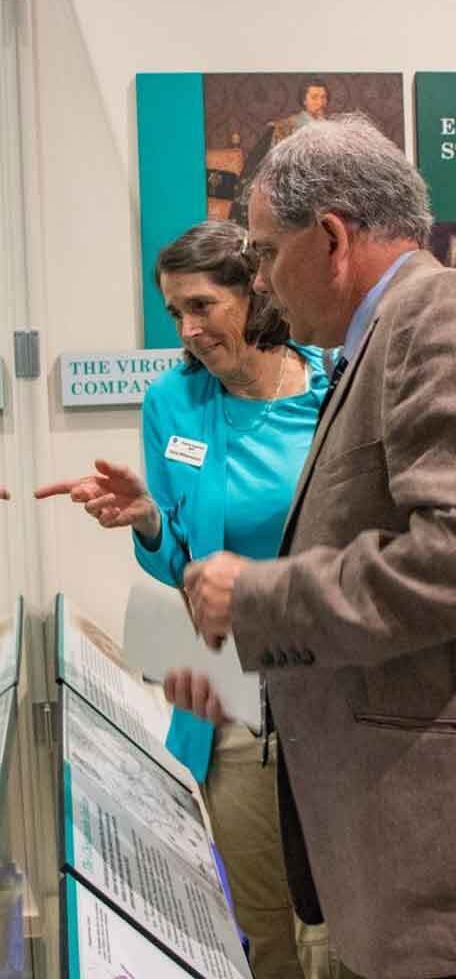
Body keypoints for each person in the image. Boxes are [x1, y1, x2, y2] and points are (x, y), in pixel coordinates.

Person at [181, 114, 456, 979]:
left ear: (331, 238)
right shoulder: (381, 334)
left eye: (263, 253)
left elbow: (448, 555)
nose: (259, 282)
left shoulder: (429, 319)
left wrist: (259, 598)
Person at [36, 219, 331, 979]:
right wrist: (146, 520)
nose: (189, 330)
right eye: (175, 313)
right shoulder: (173, 402)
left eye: (202, 306)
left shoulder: (336, 383)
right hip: (234, 700)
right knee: (260, 927)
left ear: (254, 292)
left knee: (339, 925)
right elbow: (186, 567)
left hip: (339, 686)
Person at [230, 78, 330, 226]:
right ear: (304, 100)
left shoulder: (332, 129)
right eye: (314, 97)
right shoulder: (285, 128)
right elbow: (273, 165)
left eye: (323, 97)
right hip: (294, 188)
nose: (320, 102)